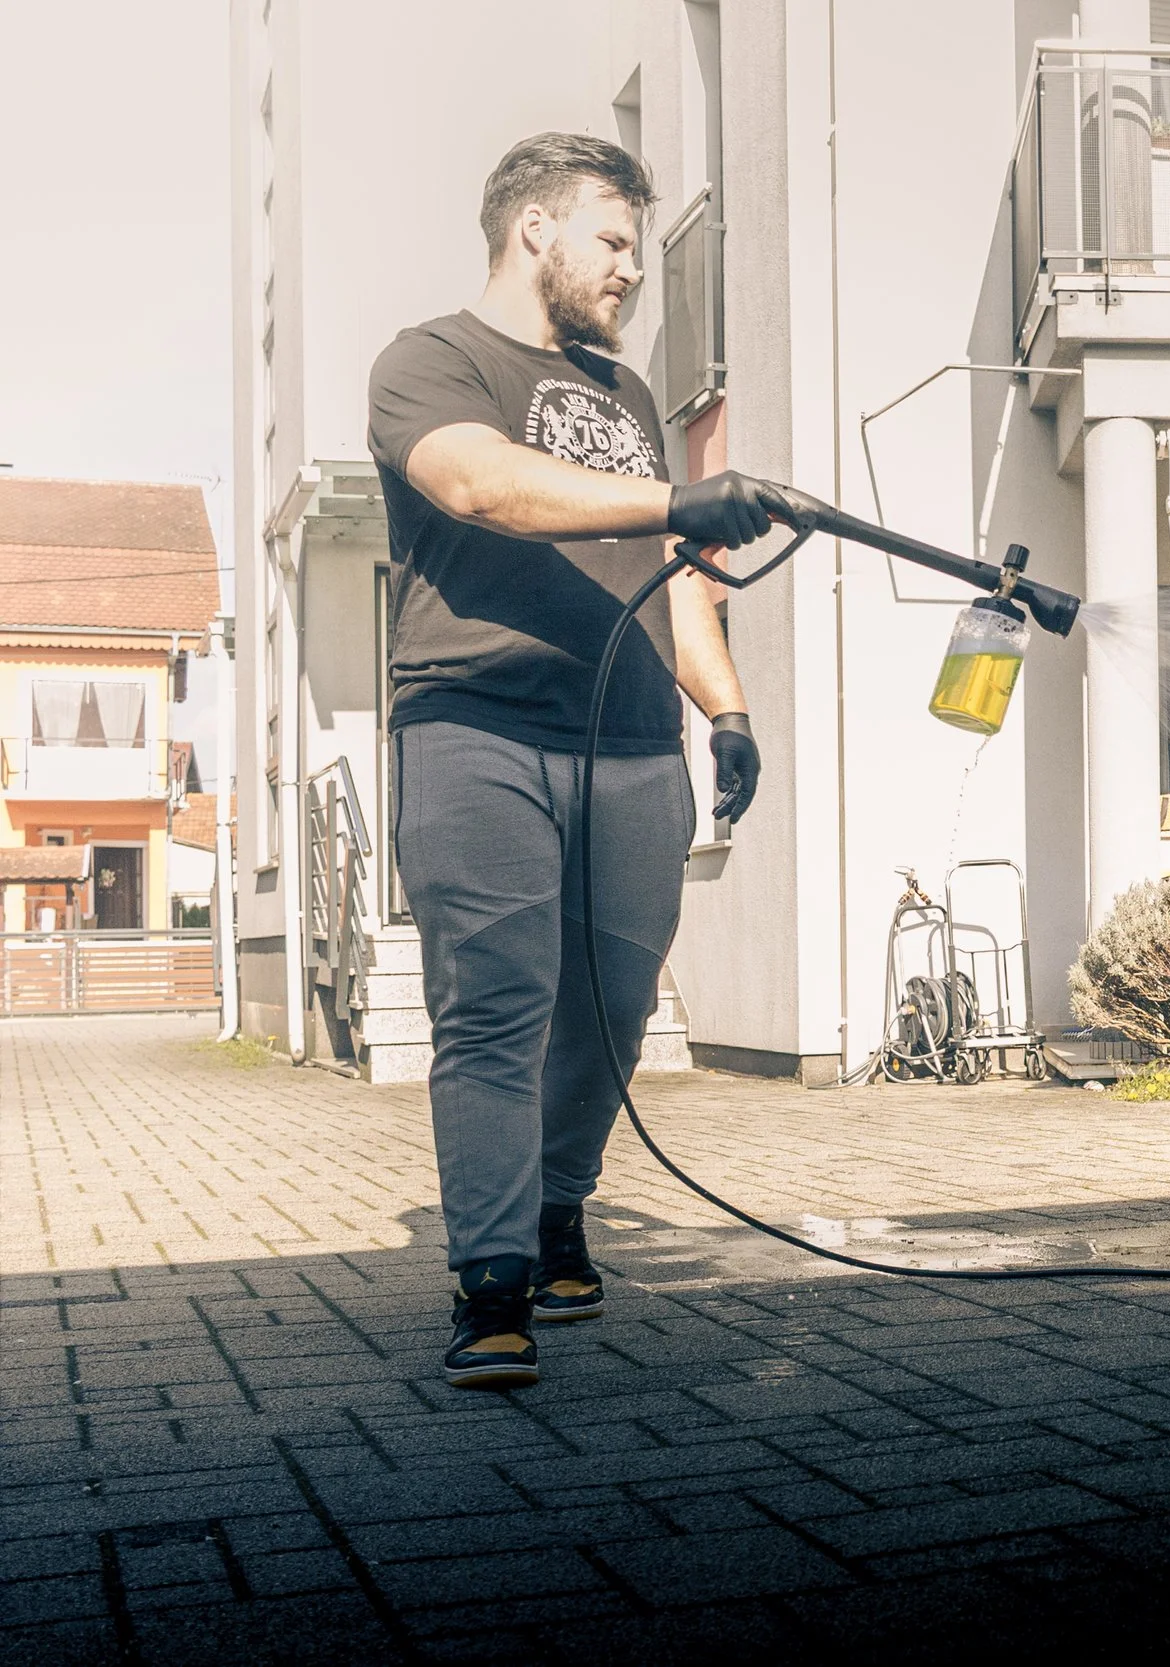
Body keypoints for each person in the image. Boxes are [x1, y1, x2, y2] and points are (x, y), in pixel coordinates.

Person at [368, 132, 797, 1389]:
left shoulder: (625, 393)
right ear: (535, 229)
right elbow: (483, 484)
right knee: (497, 1009)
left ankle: (561, 1201)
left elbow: (675, 588)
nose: (630, 271)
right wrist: (675, 502)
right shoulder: (428, 360)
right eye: (613, 240)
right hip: (476, 727)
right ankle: (491, 1276)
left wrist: (727, 713)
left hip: (628, 744)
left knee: (609, 1017)